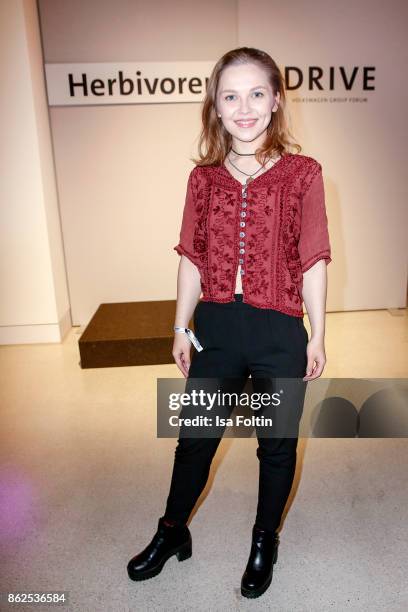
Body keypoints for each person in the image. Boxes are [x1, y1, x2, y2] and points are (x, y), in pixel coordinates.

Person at [127, 47, 332, 599]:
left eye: (256, 93)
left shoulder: (304, 174)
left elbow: (313, 258)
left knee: (277, 446)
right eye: (231, 96)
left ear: (276, 101)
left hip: (278, 331)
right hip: (216, 330)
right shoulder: (204, 180)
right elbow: (190, 257)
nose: (244, 108)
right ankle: (172, 531)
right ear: (216, 107)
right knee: (194, 439)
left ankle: (265, 541)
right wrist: (179, 327)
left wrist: (319, 333)